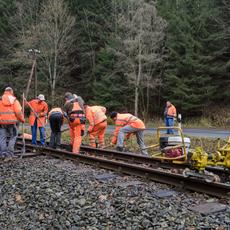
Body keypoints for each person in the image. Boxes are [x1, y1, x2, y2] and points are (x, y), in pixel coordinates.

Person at [0, 87, 25, 157]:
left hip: (1, 123)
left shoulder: (0, 100)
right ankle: (9, 153)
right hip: (12, 122)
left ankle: (2, 153)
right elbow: (18, 112)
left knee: (2, 138)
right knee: (13, 136)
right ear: (11, 91)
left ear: (5, 92)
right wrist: (22, 119)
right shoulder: (14, 100)